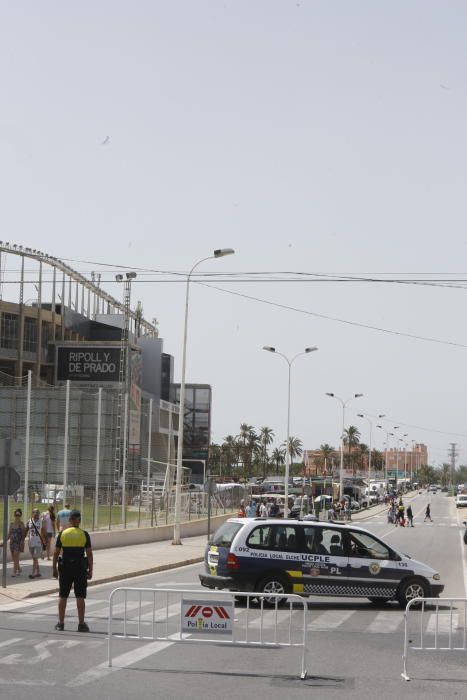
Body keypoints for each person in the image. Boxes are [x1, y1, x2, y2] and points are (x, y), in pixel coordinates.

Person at [52, 509, 93, 632]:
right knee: (80, 596)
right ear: (79, 521)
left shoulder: (62, 534)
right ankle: (81, 624)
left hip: (65, 569)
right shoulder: (84, 534)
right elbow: (90, 554)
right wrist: (91, 570)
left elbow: (56, 553)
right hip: (80, 569)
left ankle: (60, 623)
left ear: (70, 520)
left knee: (63, 595)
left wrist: (54, 568)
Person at [26, 508, 46, 578]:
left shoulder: (41, 522)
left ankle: (33, 573)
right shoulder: (29, 521)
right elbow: (26, 530)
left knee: (35, 558)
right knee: (35, 558)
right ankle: (38, 572)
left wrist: (44, 541)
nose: (36, 513)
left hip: (38, 542)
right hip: (31, 542)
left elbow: (43, 532)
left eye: (37, 512)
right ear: (32, 513)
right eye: (34, 512)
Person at [7, 508, 26, 576]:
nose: (17, 516)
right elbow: (9, 534)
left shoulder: (22, 524)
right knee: (14, 558)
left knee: (16, 555)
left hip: (18, 542)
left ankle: (14, 572)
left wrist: (22, 541)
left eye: (18, 515)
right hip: (12, 543)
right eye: (16, 514)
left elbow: (24, 534)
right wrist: (4, 542)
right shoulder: (11, 524)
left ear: (20, 515)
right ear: (14, 515)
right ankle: (19, 568)